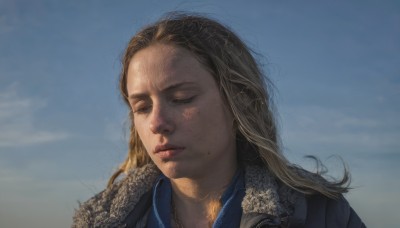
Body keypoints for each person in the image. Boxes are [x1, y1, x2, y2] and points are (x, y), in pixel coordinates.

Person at [72, 12, 366, 228]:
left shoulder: (320, 215)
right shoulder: (97, 221)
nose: (157, 123)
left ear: (239, 100)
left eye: (182, 98)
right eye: (142, 106)